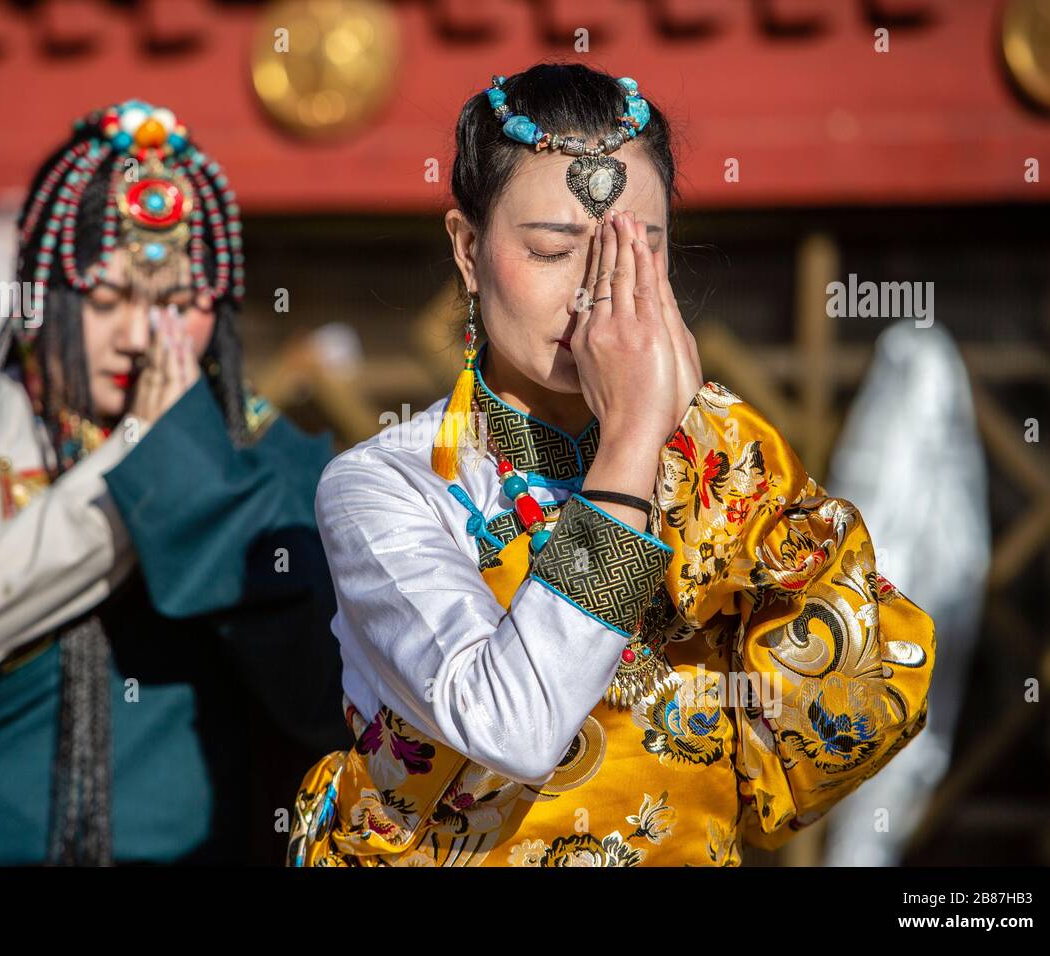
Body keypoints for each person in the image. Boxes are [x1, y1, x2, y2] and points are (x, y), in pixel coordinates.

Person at [288, 63, 937, 867]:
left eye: (636, 252)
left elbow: (850, 721)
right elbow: (514, 726)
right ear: (467, 250)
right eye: (555, 250)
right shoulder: (389, 486)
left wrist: (705, 440)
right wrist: (632, 443)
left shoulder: (716, 462)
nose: (597, 294)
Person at [0, 99, 350, 866]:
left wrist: (200, 472)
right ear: (42, 294)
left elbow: (331, 696)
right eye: (109, 300)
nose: (144, 336)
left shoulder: (271, 460)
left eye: (180, 305)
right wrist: (145, 458)